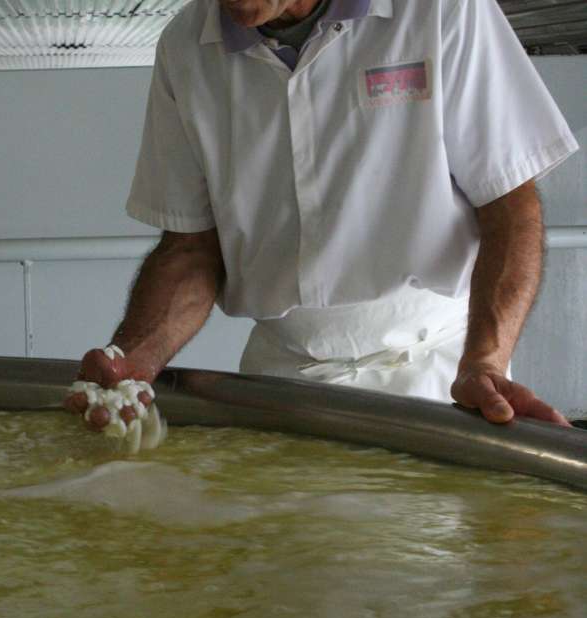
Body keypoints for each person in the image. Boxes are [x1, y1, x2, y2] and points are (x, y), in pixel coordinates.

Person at [67, 0, 578, 428]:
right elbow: (190, 247)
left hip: (438, 372)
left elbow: (508, 205)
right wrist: (134, 361)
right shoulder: (186, 49)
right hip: (286, 376)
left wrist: (485, 360)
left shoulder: (437, 9)